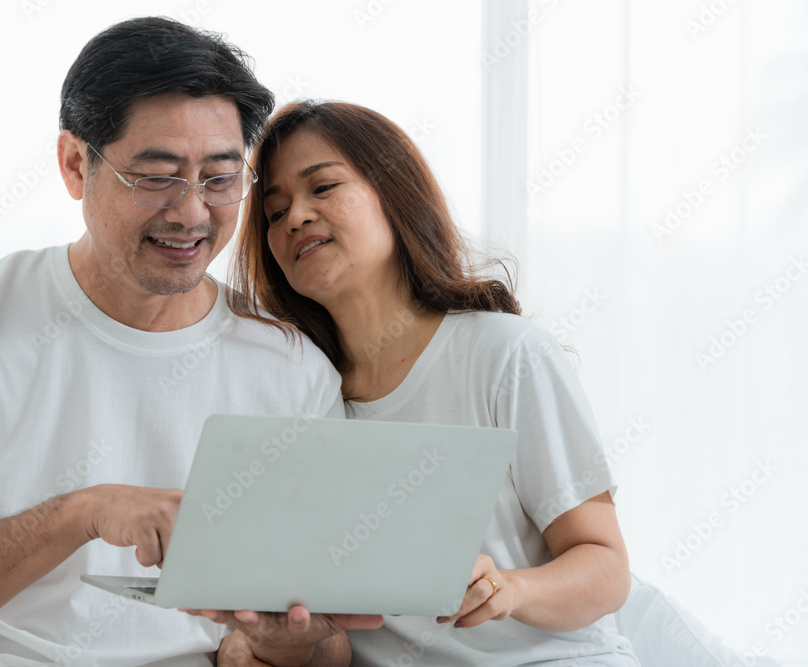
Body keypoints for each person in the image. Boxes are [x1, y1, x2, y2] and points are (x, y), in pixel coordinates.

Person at [0, 19, 375, 667]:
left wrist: (273, 644)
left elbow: (325, 643)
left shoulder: (291, 368)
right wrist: (81, 512)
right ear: (74, 164)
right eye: (157, 176)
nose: (191, 212)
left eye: (220, 177)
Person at [225, 100, 641, 665]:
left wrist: (513, 590)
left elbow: (606, 568)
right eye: (274, 212)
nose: (295, 217)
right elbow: (327, 632)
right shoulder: (294, 390)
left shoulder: (504, 354)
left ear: (393, 194)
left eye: (322, 187)